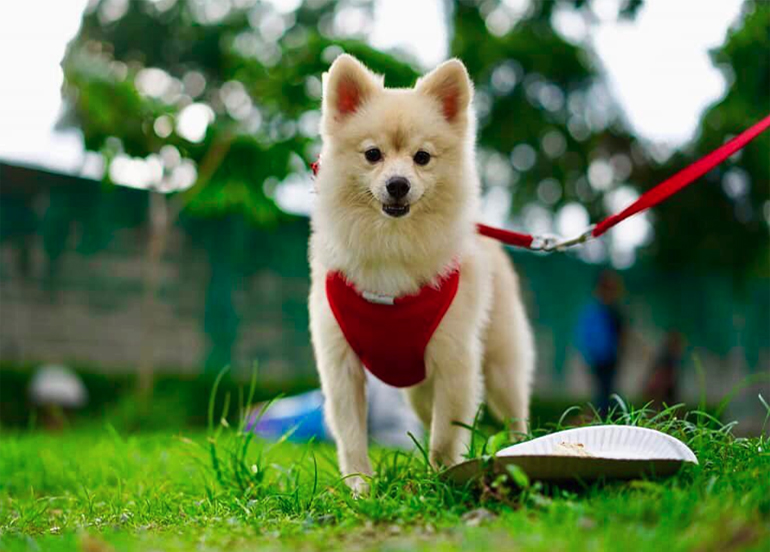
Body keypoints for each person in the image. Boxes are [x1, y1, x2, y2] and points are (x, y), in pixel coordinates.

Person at [575, 271, 626, 414]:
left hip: (610, 357)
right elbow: (588, 336)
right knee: (603, 394)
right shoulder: (596, 310)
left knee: (607, 392)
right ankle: (602, 420)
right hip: (601, 357)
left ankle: (606, 419)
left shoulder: (613, 310)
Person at [644, 330, 685, 408]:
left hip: (665, 392)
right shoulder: (667, 359)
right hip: (661, 392)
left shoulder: (672, 359)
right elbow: (660, 376)